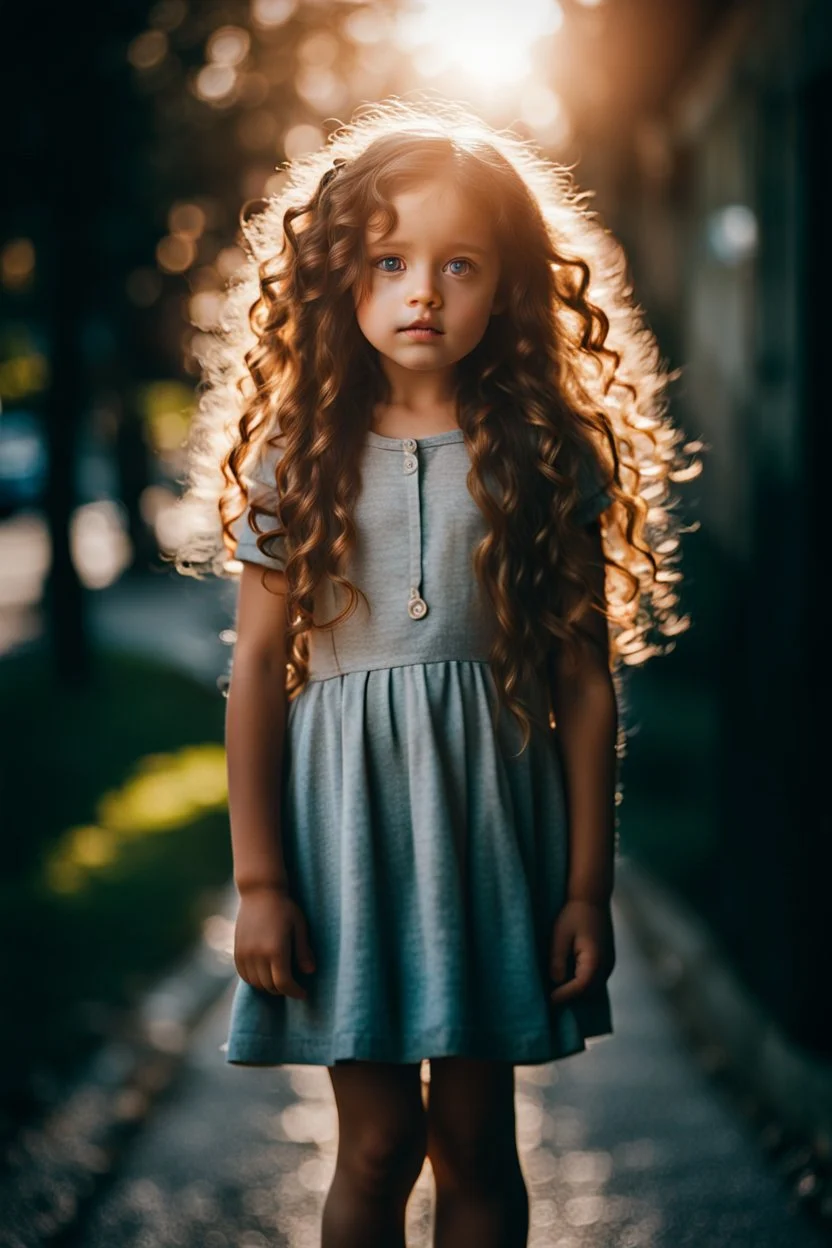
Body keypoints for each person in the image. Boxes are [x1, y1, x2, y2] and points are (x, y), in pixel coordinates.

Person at [175, 98, 697, 1248]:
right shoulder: (295, 459)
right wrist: (259, 882)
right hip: (339, 843)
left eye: (459, 265)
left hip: (486, 839)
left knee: (474, 1145)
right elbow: (258, 670)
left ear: (505, 285)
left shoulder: (541, 456)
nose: (423, 292)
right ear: (336, 280)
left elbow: (585, 685)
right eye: (390, 260)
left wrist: (583, 890)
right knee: (376, 1145)